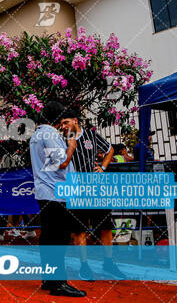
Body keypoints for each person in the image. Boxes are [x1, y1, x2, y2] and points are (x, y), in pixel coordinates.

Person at [60, 111, 125, 281]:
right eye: (62, 124)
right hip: (76, 189)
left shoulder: (91, 135)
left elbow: (110, 150)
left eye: (66, 122)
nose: (64, 126)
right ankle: (84, 266)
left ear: (75, 120)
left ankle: (108, 263)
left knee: (105, 226)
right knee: (79, 229)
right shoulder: (63, 140)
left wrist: (102, 167)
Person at [29, 101, 86, 297]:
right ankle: (58, 283)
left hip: (46, 192)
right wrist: (71, 146)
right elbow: (61, 162)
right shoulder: (50, 134)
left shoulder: (37, 135)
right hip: (55, 193)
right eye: (61, 120)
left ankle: (49, 278)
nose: (63, 125)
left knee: (48, 237)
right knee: (58, 238)